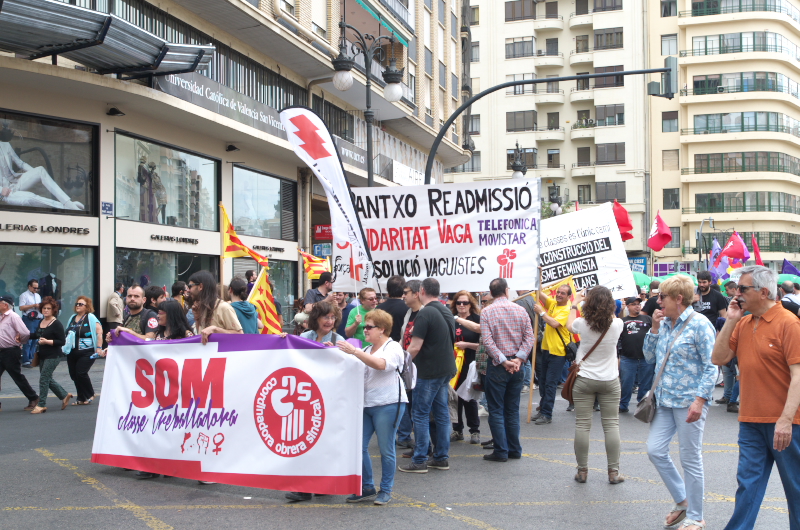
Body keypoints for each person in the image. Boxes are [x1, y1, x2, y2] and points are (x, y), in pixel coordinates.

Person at [711, 266, 800, 530]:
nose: (736, 294)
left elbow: (798, 376)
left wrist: (785, 420)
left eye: (742, 289)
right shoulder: (744, 322)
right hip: (750, 420)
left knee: (795, 490)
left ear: (763, 292)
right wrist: (731, 319)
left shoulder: (789, 324)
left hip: (786, 423)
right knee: (747, 486)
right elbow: (719, 358)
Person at [643, 275, 717, 530]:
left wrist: (700, 400)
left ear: (679, 298)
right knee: (655, 450)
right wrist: (653, 328)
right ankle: (682, 501)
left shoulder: (700, 325)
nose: (658, 301)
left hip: (689, 402)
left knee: (690, 458)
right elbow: (649, 356)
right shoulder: (664, 323)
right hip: (664, 400)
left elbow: (712, 366)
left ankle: (696, 516)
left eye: (662, 297)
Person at [336, 309, 407, 506]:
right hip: (367, 404)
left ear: (382, 329)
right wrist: (330, 350)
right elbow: (350, 363)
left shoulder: (393, 348)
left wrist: (355, 351)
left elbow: (381, 365)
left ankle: (386, 489)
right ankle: (367, 486)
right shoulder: (367, 349)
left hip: (388, 403)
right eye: (365, 326)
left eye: (369, 327)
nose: (364, 330)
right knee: (358, 446)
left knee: (386, 449)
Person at [566, 287, 625, 483]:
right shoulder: (617, 324)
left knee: (583, 425)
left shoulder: (581, 323)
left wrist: (575, 303)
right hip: (610, 379)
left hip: (585, 378)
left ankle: (582, 471)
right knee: (611, 425)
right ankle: (613, 473)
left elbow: (568, 325)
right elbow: (614, 316)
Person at [398, 278, 456, 473]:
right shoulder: (444, 310)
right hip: (444, 369)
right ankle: (441, 457)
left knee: (420, 414)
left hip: (429, 371)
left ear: (421, 291)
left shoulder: (425, 314)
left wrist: (401, 365)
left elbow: (414, 346)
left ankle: (420, 459)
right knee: (441, 413)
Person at [481, 278, 534, 462]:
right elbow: (529, 338)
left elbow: (488, 342)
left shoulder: (487, 311)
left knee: (496, 409)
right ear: (506, 291)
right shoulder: (520, 310)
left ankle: (501, 451)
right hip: (516, 365)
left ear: (491, 292)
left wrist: (504, 361)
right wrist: (518, 359)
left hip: (497, 366)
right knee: (511, 409)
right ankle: (514, 449)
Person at [0, 124, 84, 210]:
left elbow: (21, 163)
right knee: (30, 198)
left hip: (15, 182)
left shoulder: (5, 145)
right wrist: (1, 190)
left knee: (40, 170)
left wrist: (34, 174)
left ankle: (67, 202)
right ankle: (69, 206)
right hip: (5, 193)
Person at [532, 284, 572, 425]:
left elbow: (554, 323)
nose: (559, 295)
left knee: (550, 384)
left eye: (563, 293)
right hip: (546, 349)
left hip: (558, 352)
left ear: (568, 297)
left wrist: (542, 312)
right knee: (542, 382)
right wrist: (537, 282)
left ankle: (547, 414)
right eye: (558, 292)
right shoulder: (554, 304)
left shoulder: (567, 309)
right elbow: (541, 293)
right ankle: (542, 409)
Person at [28, 297, 72, 414]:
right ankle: (64, 395)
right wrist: (23, 335)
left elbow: (62, 341)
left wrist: (47, 341)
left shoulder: (56, 324)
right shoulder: (41, 321)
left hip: (54, 355)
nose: (46, 310)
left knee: (43, 379)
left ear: (53, 310)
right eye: (44, 308)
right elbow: (36, 335)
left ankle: (41, 404)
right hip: (42, 355)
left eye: (48, 308)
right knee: (47, 378)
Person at [449, 290, 482, 444]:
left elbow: (483, 345)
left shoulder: (477, 320)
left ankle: (474, 430)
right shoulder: (451, 319)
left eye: (465, 302)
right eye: (459, 302)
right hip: (452, 363)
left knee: (469, 397)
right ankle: (457, 429)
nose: (462, 305)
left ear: (471, 304)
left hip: (470, 363)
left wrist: (466, 345)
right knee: (453, 397)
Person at [396, 280, 423, 450]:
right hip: (407, 367)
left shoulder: (425, 313)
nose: (403, 296)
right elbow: (403, 338)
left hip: (420, 368)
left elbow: (417, 345)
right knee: (406, 402)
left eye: (406, 292)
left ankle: (422, 447)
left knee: (419, 410)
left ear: (416, 293)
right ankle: (407, 438)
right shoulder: (408, 313)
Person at [0, 295, 38, 411]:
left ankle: (33, 397)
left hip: (11, 351)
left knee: (16, 376)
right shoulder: (1, 317)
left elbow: (25, 332)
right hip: (1, 351)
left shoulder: (14, 317)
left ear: (5, 305)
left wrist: (21, 340)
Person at [618, 296, 654, 413]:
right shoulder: (622, 321)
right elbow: (617, 339)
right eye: (633, 304)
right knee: (626, 383)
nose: (637, 306)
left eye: (638, 304)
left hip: (646, 358)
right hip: (628, 358)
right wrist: (619, 354)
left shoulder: (647, 319)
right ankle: (623, 405)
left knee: (645, 384)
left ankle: (642, 405)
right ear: (628, 306)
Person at [65, 296, 103, 406]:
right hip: (72, 351)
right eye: (77, 304)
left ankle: (90, 393)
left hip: (87, 351)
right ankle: (81, 398)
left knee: (81, 372)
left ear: (87, 307)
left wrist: (99, 348)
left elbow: (99, 332)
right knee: (74, 375)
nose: (78, 305)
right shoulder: (72, 318)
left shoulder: (90, 318)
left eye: (81, 304)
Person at [187, 270, 243, 344]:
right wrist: (197, 318)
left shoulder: (224, 308)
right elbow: (201, 336)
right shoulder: (202, 308)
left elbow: (240, 335)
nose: (188, 290)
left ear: (200, 286)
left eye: (190, 286)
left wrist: (215, 329)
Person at [377, 275, 407, 342]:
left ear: (387, 289)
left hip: (382, 345)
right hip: (401, 345)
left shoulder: (379, 308)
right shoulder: (408, 308)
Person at [18, 279, 41, 367]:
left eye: (37, 288)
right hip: (29, 318)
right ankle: (26, 360)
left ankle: (32, 358)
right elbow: (21, 307)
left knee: (35, 339)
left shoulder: (38, 296)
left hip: (38, 318)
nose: (36, 289)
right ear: (29, 287)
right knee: (28, 339)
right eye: (34, 288)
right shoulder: (24, 295)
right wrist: (34, 306)